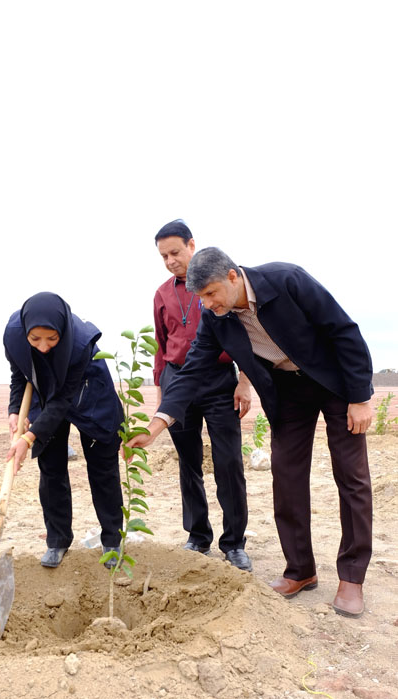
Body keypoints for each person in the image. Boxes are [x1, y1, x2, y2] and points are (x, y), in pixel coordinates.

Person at [129, 247, 373, 618]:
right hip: (287, 390)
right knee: (286, 477)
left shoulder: (286, 279)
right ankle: (300, 570)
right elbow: (192, 370)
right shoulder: (216, 318)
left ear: (232, 276)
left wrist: (360, 397)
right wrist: (158, 424)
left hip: (335, 382)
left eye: (211, 293)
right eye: (201, 298)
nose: (207, 304)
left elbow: (343, 330)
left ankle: (352, 577)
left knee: (351, 476)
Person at [153, 220, 252, 571]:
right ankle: (197, 536)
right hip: (178, 381)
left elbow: (244, 334)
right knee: (188, 462)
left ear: (191, 245)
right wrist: (163, 392)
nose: (170, 261)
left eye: (175, 252)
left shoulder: (217, 284)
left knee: (229, 462)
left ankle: (234, 542)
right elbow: (161, 344)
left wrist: (244, 381)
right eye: (164, 256)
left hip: (218, 381)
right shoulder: (161, 294)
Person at [3, 292, 124, 568]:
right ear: (25, 332)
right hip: (46, 396)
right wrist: (15, 410)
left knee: (103, 470)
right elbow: (20, 375)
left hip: (89, 397)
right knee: (51, 468)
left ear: (63, 332)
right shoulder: (13, 335)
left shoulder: (80, 343)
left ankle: (112, 541)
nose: (43, 347)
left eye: (52, 338)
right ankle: (57, 541)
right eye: (35, 339)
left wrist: (29, 438)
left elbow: (63, 399)